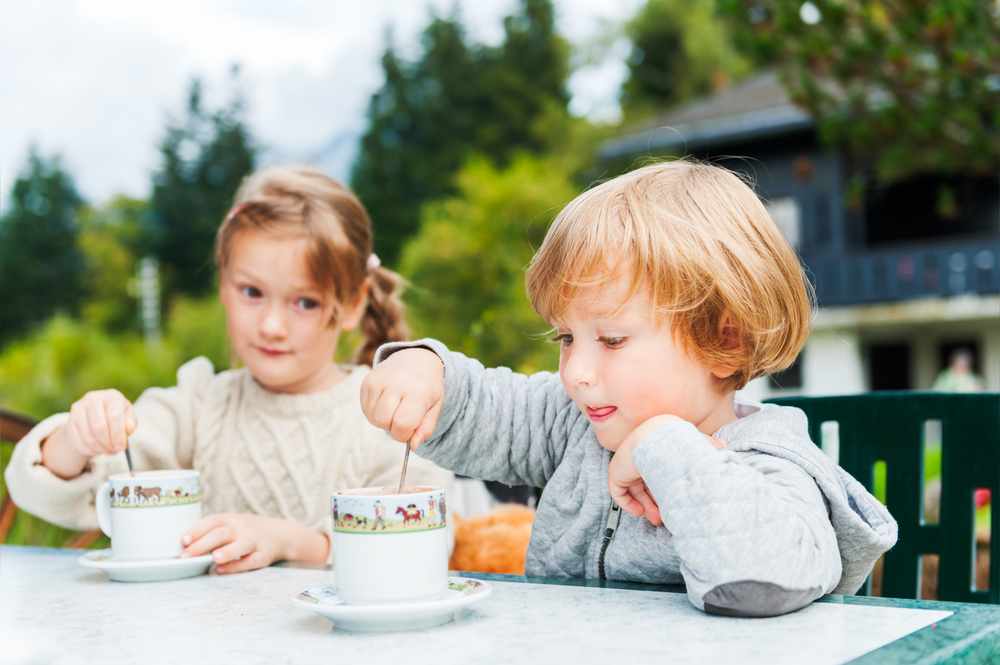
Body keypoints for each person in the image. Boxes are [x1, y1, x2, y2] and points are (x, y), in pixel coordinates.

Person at [360, 161, 897, 616]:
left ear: (724, 341)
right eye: (567, 337)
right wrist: (425, 371)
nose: (576, 371)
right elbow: (487, 412)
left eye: (613, 339)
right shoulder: (579, 422)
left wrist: (664, 444)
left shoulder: (775, 464)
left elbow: (766, 579)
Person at [5, 166, 452, 573]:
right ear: (223, 282)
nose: (272, 326)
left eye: (305, 302)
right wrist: (75, 440)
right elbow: (46, 494)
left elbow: (429, 539)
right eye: (252, 292)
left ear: (353, 303)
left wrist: (287, 541)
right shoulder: (197, 404)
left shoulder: (390, 415)